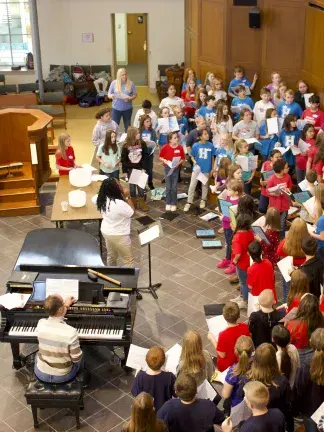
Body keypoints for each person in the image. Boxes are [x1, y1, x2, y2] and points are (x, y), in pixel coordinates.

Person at [237, 343, 293, 430]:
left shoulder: (246, 379)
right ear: (274, 360)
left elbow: (240, 396)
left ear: (255, 359)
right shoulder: (282, 381)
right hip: (275, 420)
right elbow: (287, 405)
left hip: (253, 420)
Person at [34, 294, 82, 383]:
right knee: (81, 358)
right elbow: (76, 359)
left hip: (41, 373)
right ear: (60, 309)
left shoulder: (40, 324)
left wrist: (65, 305)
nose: (65, 304)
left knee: (37, 355)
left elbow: (57, 312)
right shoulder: (71, 332)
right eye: (63, 303)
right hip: (63, 376)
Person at [157, 373, 225, 432]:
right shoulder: (208, 405)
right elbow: (222, 422)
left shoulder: (168, 407)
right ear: (196, 391)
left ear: (176, 392)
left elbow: (158, 423)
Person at [97, 177, 135, 267]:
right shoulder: (119, 204)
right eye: (118, 184)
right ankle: (128, 280)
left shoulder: (101, 199)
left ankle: (112, 277)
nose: (121, 185)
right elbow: (132, 212)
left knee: (111, 256)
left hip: (106, 231)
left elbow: (93, 198)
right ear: (114, 188)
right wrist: (127, 196)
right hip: (119, 234)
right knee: (128, 259)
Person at [221, 381, 286, 432]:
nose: (244, 398)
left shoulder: (248, 427)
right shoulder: (278, 413)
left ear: (251, 405)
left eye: (245, 396)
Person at [293, 328, 324, 427]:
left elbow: (298, 391)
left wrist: (296, 410)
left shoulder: (305, 366)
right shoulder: (306, 366)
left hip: (310, 410)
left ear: (311, 342)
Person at [208, 302, 250, 372]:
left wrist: (212, 339)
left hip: (228, 367)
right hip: (241, 361)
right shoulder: (244, 327)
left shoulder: (223, 335)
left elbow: (222, 355)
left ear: (224, 317)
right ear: (239, 315)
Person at [131, 347, 176, 411]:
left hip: (146, 412)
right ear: (164, 362)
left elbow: (135, 393)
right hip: (164, 411)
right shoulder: (169, 376)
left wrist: (137, 375)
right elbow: (176, 393)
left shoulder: (140, 377)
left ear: (146, 360)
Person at [286, 294, 324, 366]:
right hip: (316, 350)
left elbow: (288, 341)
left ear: (301, 307)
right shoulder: (321, 318)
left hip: (299, 354)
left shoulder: (293, 325)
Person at [184, 128, 215, 211]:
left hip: (206, 169)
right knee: (192, 185)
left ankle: (203, 200)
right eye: (205, 134)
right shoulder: (195, 145)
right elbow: (192, 156)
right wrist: (194, 161)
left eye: (207, 133)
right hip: (197, 169)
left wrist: (212, 168)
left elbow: (212, 157)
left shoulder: (211, 145)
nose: (207, 135)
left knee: (204, 186)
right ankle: (189, 201)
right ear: (200, 137)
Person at [277, 217, 308, 301]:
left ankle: (286, 307)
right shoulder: (308, 242)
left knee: (287, 291)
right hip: (304, 270)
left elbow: (279, 252)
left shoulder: (286, 241)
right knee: (302, 291)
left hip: (288, 269)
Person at [216, 180, 243, 271]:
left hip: (232, 227)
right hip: (226, 225)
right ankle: (227, 259)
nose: (227, 191)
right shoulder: (228, 197)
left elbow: (234, 218)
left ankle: (233, 263)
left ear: (236, 192)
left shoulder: (238, 203)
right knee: (228, 243)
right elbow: (225, 209)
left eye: (229, 190)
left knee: (232, 245)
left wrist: (223, 218)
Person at [121, 126, 149, 211]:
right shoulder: (126, 146)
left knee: (141, 187)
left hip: (140, 169)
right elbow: (124, 159)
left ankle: (142, 202)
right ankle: (133, 202)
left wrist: (144, 167)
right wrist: (126, 170)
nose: (139, 134)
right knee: (132, 188)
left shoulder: (142, 143)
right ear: (132, 135)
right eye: (137, 133)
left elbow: (145, 156)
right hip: (131, 170)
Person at [222, 335, 254, 408]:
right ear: (252, 349)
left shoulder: (233, 372)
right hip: (256, 400)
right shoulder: (258, 362)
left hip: (239, 405)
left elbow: (225, 395)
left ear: (236, 351)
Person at [230, 214, 255, 308]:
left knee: (243, 283)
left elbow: (238, 254)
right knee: (244, 281)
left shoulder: (237, 237)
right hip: (249, 261)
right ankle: (242, 296)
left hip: (241, 264)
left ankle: (245, 301)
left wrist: (235, 261)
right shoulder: (250, 233)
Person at [266, 158, 293, 239]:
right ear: (281, 170)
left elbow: (290, 186)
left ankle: (281, 239)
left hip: (284, 205)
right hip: (275, 206)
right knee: (274, 224)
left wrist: (288, 190)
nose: (288, 168)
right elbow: (268, 191)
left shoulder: (287, 176)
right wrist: (275, 193)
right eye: (286, 167)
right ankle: (274, 238)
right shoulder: (272, 179)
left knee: (282, 223)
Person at [160, 131, 185, 212]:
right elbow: (161, 157)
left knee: (174, 187)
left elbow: (183, 158)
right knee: (168, 187)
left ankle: (173, 203)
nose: (176, 139)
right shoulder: (165, 147)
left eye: (177, 137)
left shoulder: (180, 148)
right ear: (170, 140)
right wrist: (166, 161)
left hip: (175, 168)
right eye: (174, 138)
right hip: (167, 168)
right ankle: (168, 202)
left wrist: (178, 164)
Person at [259, 149, 282, 213]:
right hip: (265, 190)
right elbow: (261, 176)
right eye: (277, 157)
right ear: (271, 158)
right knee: (261, 209)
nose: (279, 158)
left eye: (280, 157)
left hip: (275, 192)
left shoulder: (282, 167)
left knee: (274, 212)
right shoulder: (265, 164)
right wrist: (261, 181)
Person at [139, 114, 157, 190]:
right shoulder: (139, 131)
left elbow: (154, 141)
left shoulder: (152, 131)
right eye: (147, 121)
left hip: (150, 154)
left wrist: (152, 144)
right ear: (143, 122)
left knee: (150, 170)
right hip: (141, 154)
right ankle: (142, 185)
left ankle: (150, 183)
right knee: (142, 169)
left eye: (150, 121)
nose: (149, 123)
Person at [309, 197, 324, 261]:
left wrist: (311, 233)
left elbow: (322, 237)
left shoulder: (322, 219)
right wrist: (317, 227)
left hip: (321, 247)